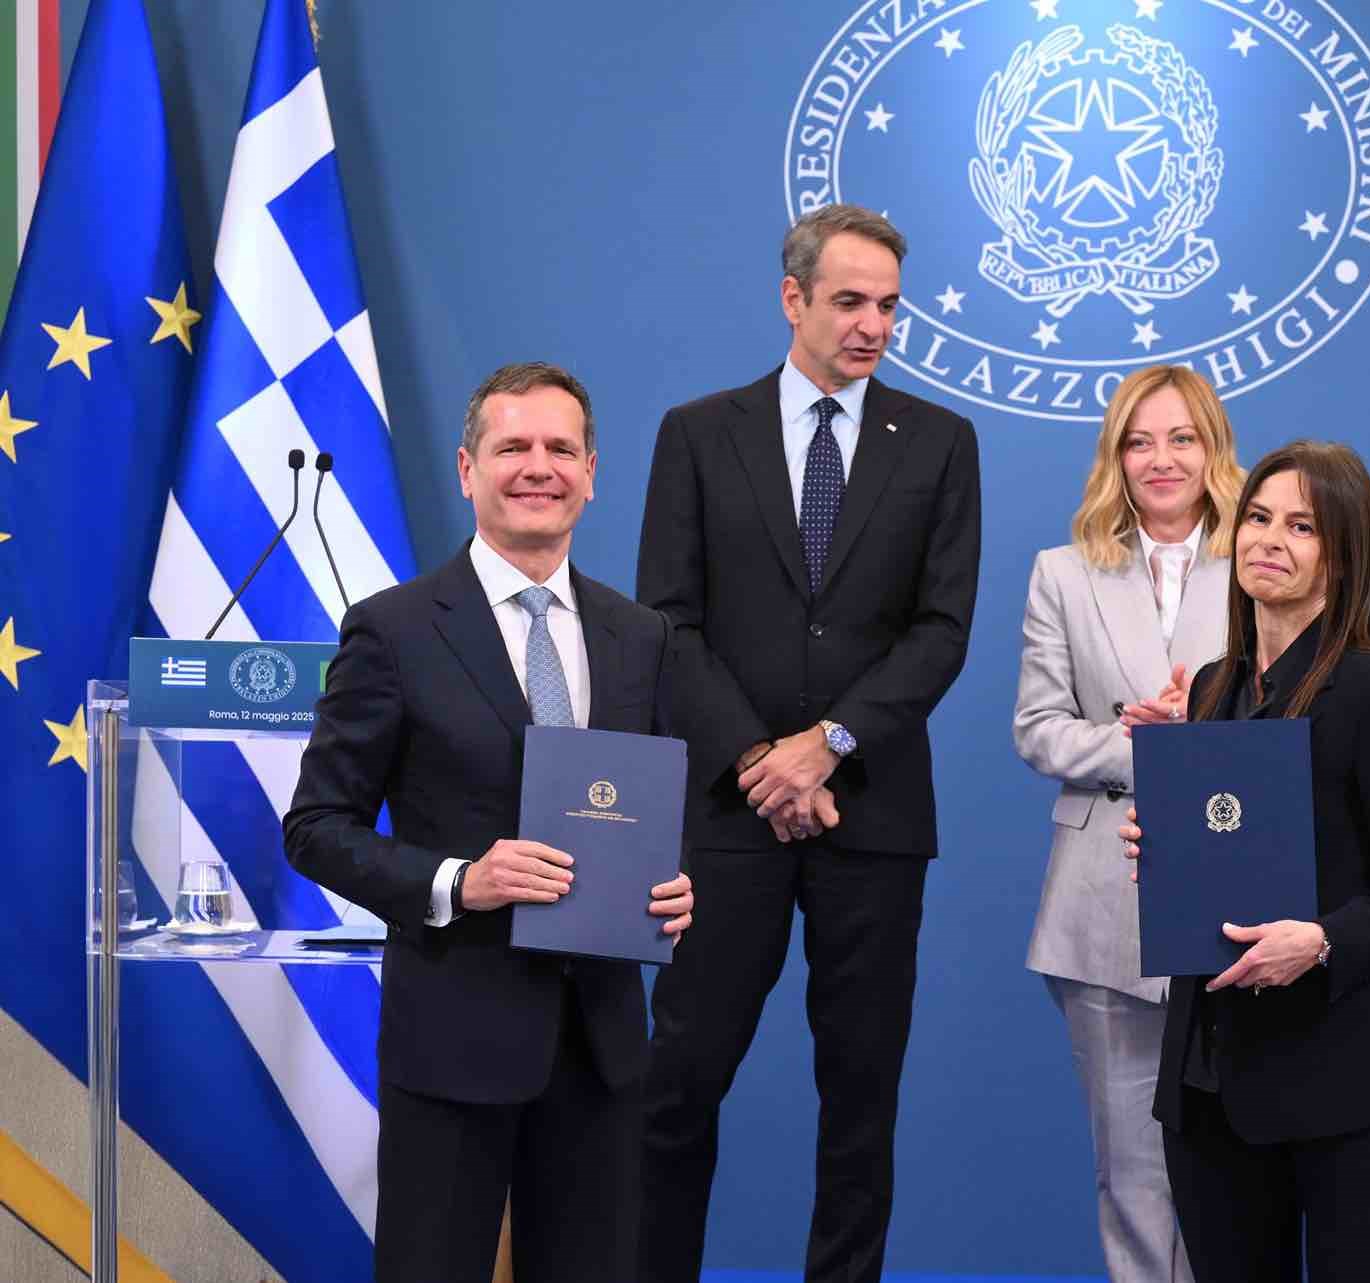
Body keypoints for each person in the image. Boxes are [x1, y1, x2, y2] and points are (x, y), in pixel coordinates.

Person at [283, 362, 695, 1283]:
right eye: (512, 447)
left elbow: (662, 803)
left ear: (593, 471)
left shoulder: (642, 635)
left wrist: (676, 882)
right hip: (454, 1032)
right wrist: (458, 881)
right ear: (468, 469)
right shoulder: (392, 630)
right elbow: (315, 824)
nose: (537, 467)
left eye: (560, 448)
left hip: (600, 1044)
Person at [633, 204, 982, 1283]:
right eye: (849, 301)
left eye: (887, 304)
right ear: (793, 299)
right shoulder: (699, 432)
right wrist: (758, 760)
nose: (873, 324)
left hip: (870, 817)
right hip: (728, 819)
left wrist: (823, 745)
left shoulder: (938, 441)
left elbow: (941, 631)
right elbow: (669, 621)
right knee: (676, 1084)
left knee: (860, 1100)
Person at [1119, 441, 1370, 1283]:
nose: (1270, 538)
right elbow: (1218, 843)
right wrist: (1156, 845)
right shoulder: (1211, 688)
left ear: (1344, 554)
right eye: (1260, 517)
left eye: (1302, 525)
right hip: (1209, 1079)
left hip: (1343, 1077)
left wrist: (1322, 939)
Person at [1012, 365, 1243, 1283]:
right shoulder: (1063, 573)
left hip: (1236, 879)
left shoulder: (1263, 559)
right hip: (1103, 895)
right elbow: (1038, 729)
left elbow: (1301, 715)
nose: (1161, 459)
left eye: (1182, 437)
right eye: (1140, 440)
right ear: (1116, 454)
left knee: (1238, 1155)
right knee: (1132, 1167)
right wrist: (1141, 746)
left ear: (1213, 450)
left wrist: (1203, 735)